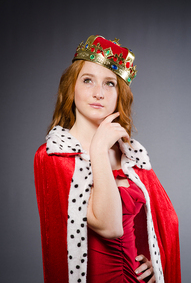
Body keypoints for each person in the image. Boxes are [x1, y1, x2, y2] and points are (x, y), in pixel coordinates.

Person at [34, 35, 181, 283]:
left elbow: (162, 222)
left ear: (118, 95)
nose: (98, 93)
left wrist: (155, 263)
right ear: (71, 88)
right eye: (88, 80)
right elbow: (110, 227)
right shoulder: (54, 155)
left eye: (109, 84)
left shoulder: (132, 156)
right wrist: (99, 148)